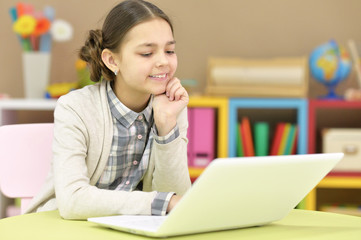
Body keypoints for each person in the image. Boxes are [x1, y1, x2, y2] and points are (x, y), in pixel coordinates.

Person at [25, 0, 191, 220]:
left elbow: (177, 201)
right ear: (112, 60)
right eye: (147, 53)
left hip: (128, 229)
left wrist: (166, 125)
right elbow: (73, 200)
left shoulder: (170, 107)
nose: (164, 62)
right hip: (65, 227)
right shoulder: (75, 108)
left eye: (169, 50)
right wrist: (162, 201)